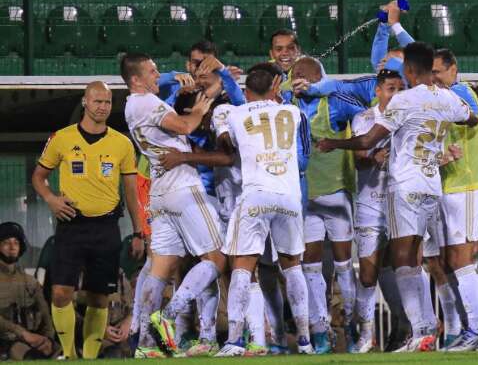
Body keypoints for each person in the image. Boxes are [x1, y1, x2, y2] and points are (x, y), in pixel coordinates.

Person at [317, 42, 478, 352]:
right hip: (432, 184)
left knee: (403, 259)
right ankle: (428, 329)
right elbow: (469, 118)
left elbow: (368, 139)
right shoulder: (447, 97)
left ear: (409, 70)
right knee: (418, 257)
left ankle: (421, 332)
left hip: (404, 184)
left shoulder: (403, 100)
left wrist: (334, 145)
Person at [120, 52, 232, 358]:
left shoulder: (132, 106)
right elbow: (184, 126)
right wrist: (197, 111)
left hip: (161, 190)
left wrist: (204, 88)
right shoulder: (145, 102)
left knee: (160, 268)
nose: (158, 75)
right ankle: (169, 315)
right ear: (136, 79)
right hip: (183, 185)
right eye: (153, 71)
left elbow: (174, 102)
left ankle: (144, 343)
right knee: (217, 258)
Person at [31, 81, 144, 360]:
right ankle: (69, 354)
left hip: (106, 228)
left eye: (107, 102)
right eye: (97, 101)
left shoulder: (122, 143)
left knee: (99, 298)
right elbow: (38, 177)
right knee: (60, 293)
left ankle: (90, 358)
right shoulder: (62, 138)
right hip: (72, 225)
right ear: (85, 102)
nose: (102, 107)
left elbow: (131, 192)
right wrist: (52, 199)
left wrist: (140, 231)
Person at [215, 68, 313, 356]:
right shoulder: (293, 112)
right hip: (289, 197)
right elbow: (304, 156)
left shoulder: (234, 113)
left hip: (256, 195)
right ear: (275, 87)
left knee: (243, 268)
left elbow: (226, 145)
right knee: (293, 267)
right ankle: (305, 340)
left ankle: (234, 340)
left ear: (246, 92)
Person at [290, 57, 366, 353]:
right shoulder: (288, 103)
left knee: (344, 265)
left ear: (320, 78)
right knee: (310, 267)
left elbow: (367, 115)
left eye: (306, 74)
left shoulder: (335, 102)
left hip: (336, 191)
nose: (299, 78)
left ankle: (350, 325)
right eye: (296, 74)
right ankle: (320, 330)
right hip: (305, 195)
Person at [431, 48, 478, 351]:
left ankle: (477, 331)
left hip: (467, 186)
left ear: (453, 69)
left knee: (462, 259)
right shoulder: (441, 94)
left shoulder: (462, 91)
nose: (435, 78)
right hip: (450, 186)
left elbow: (472, 119)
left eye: (439, 71)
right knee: (450, 261)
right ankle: (469, 330)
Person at [349, 69, 404, 353]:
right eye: (391, 88)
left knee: (403, 269)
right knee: (369, 274)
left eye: (399, 88)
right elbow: (358, 160)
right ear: (378, 91)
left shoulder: (407, 116)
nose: (396, 94)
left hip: (401, 205)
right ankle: (366, 336)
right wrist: (373, 157)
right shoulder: (364, 119)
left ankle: (406, 327)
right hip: (371, 204)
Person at [0, 222, 59, 360]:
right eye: (6, 242)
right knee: (32, 358)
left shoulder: (30, 281)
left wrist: (48, 339)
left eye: (16, 242)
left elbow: (45, 314)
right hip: (6, 341)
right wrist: (23, 334)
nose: (12, 247)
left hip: (34, 338)